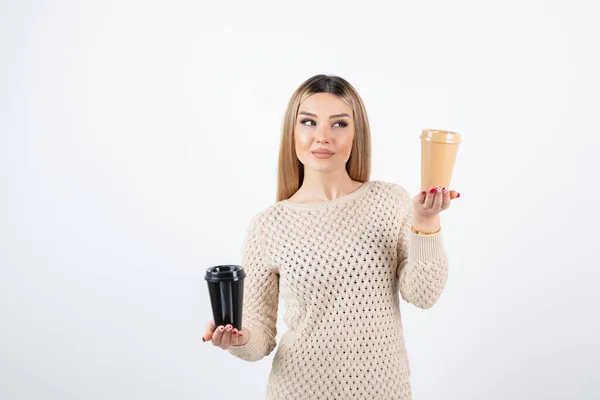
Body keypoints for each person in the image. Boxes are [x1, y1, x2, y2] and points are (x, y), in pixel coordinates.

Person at [202, 74, 460, 399]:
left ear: (356, 135)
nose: (322, 137)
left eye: (339, 124)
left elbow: (423, 294)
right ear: (292, 132)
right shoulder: (268, 225)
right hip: (297, 390)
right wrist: (238, 339)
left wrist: (426, 220)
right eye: (309, 122)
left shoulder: (390, 202)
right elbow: (260, 335)